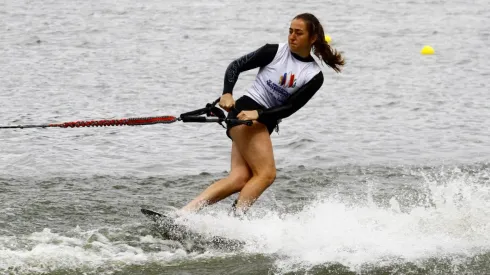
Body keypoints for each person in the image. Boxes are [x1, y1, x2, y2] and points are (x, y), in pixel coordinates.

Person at [181, 13, 344, 216]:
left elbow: (291, 107)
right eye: (290, 31)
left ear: (312, 39)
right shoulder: (274, 51)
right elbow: (236, 66)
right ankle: (235, 219)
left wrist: (258, 114)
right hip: (244, 112)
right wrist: (227, 92)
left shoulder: (313, 75)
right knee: (266, 174)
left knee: (239, 178)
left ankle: (184, 214)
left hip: (258, 117)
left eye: (298, 33)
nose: (292, 37)